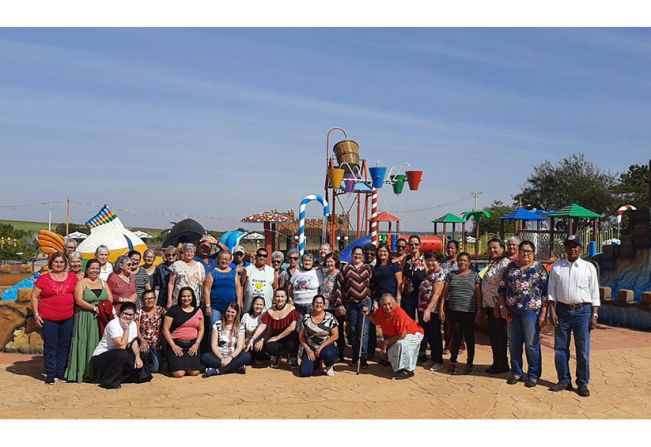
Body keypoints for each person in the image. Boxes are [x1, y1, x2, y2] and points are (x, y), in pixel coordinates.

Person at [547, 235, 600, 397]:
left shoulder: (589, 267)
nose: (573, 249)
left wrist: (595, 314)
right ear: (566, 248)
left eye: (575, 246)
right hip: (562, 311)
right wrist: (552, 311)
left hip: (583, 312)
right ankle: (564, 380)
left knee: (582, 350)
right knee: (560, 349)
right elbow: (551, 291)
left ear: (580, 249)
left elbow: (595, 292)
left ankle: (582, 383)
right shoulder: (557, 266)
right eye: (569, 246)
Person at [498, 240, 549, 388]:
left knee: (531, 344)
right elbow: (501, 289)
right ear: (518, 253)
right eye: (523, 251)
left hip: (531, 311)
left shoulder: (539, 269)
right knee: (514, 344)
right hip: (512, 312)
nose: (525, 254)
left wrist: (543, 314)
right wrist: (503, 307)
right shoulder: (510, 268)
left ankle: (533, 375)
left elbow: (545, 294)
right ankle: (516, 372)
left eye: (529, 251)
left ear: (533, 253)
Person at [31, 252, 78, 384]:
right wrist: (36, 314)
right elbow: (34, 296)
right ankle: (50, 373)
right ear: (51, 263)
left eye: (61, 262)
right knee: (50, 346)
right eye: (56, 262)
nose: (59, 264)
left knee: (65, 345)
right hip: (49, 317)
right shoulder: (44, 278)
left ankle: (60, 372)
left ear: (65, 263)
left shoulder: (72, 277)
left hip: (68, 317)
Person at [65, 258, 113, 383]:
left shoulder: (103, 283)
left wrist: (101, 309)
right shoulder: (82, 283)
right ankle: (82, 372)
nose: (95, 270)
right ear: (87, 269)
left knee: (98, 343)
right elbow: (79, 300)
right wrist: (94, 308)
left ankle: (96, 373)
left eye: (97, 268)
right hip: (85, 317)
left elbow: (110, 299)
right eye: (92, 268)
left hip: (100, 318)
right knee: (84, 341)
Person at [363, 293, 424, 380]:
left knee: (400, 344)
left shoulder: (399, 313)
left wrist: (386, 342)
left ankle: (408, 370)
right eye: (384, 304)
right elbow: (376, 321)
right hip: (400, 335)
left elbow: (402, 334)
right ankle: (397, 367)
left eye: (389, 304)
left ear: (394, 303)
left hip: (413, 333)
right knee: (394, 346)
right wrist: (368, 314)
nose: (387, 307)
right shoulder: (381, 311)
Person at [91, 302, 150, 389]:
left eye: (131, 315)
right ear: (120, 313)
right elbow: (121, 346)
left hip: (119, 356)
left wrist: (138, 357)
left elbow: (133, 342)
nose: (128, 316)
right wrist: (126, 330)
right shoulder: (113, 324)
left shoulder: (133, 324)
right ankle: (109, 382)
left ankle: (120, 378)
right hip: (101, 358)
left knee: (141, 371)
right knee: (122, 353)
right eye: (125, 313)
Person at [439, 252, 481, 374]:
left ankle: (470, 362)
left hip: (469, 312)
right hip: (454, 311)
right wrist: (441, 308)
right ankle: (453, 361)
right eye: (460, 260)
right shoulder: (451, 275)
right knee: (455, 337)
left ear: (469, 262)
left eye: (464, 260)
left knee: (469, 338)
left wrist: (479, 311)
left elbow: (478, 296)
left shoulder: (475, 276)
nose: (462, 262)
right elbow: (444, 294)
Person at [335, 245, 373, 368]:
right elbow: (339, 286)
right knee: (353, 331)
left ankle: (363, 357)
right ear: (352, 255)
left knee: (363, 332)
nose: (357, 256)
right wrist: (340, 303)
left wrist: (371, 301)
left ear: (363, 256)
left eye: (359, 254)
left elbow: (372, 286)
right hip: (351, 304)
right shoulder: (346, 268)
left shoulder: (367, 268)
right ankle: (355, 355)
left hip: (364, 303)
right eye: (355, 254)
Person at [246, 289, 300, 369]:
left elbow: (292, 328)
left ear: (286, 298)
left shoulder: (291, 309)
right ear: (274, 298)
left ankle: (293, 357)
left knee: (291, 344)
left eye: (282, 296)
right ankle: (277, 355)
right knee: (269, 345)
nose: (280, 299)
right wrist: (252, 339)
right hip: (277, 336)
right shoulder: (270, 311)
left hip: (290, 336)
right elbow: (263, 325)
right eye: (277, 296)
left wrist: (277, 337)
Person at [480, 238, 511, 374]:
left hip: (497, 306)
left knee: (499, 336)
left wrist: (500, 305)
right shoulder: (494, 263)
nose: (492, 250)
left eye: (495, 248)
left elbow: (503, 286)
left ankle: (501, 363)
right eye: (490, 248)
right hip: (489, 304)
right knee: (494, 335)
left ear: (502, 248)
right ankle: (497, 361)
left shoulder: (505, 264)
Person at [162, 286, 205, 377]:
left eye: (189, 296)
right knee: (179, 373)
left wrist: (196, 344)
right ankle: (171, 364)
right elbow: (165, 329)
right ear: (180, 297)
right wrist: (173, 346)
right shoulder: (173, 310)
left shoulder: (198, 311)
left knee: (194, 372)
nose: (186, 298)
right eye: (183, 296)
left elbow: (201, 329)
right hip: (176, 345)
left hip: (192, 345)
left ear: (192, 297)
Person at [202, 302, 252, 376]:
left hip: (233, 357)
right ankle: (235, 368)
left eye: (233, 312)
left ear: (236, 314)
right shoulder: (217, 324)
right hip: (219, 357)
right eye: (228, 311)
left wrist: (230, 358)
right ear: (225, 312)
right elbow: (214, 345)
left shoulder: (240, 327)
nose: (230, 314)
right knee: (205, 357)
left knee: (247, 356)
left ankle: (217, 371)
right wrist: (222, 358)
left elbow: (239, 347)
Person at [371, 244, 402, 361]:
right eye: (380, 251)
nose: (382, 253)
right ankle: (387, 354)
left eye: (385, 251)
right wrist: (375, 301)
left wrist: (398, 299)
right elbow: (374, 286)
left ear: (388, 253)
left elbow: (399, 283)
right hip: (381, 300)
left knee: (395, 326)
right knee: (385, 327)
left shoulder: (394, 266)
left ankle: (395, 354)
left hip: (392, 300)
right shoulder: (376, 267)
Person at [419, 251, 446, 372]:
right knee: (428, 334)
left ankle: (439, 360)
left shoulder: (439, 274)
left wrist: (429, 310)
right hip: (422, 308)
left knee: (435, 335)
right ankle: (433, 357)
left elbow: (437, 294)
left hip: (432, 311)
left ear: (439, 261)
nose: (430, 262)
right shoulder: (429, 273)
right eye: (428, 260)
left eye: (433, 260)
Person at [298, 295, 339, 377]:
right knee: (304, 373)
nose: (318, 305)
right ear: (312, 304)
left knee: (328, 354)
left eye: (321, 303)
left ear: (324, 305)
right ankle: (316, 363)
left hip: (326, 347)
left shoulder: (330, 317)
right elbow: (301, 337)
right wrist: (308, 350)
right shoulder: (306, 318)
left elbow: (335, 335)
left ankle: (329, 365)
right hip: (311, 348)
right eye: (316, 303)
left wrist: (320, 347)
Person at [203, 251, 243, 326]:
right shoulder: (212, 273)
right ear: (218, 259)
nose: (224, 261)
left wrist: (238, 304)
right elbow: (206, 290)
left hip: (231, 308)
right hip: (215, 307)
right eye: (222, 259)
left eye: (227, 259)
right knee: (214, 327)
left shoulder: (234, 273)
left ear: (230, 260)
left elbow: (238, 289)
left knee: (229, 328)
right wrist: (208, 306)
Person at [320, 253, 346, 361]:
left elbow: (344, 290)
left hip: (336, 307)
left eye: (331, 261)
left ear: (336, 262)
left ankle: (340, 354)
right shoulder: (323, 274)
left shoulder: (340, 274)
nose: (329, 263)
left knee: (338, 331)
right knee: (326, 331)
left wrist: (342, 304)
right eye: (327, 261)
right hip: (324, 306)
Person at [136, 289, 166, 373]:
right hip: (144, 343)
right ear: (142, 300)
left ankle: (145, 366)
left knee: (156, 369)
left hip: (157, 344)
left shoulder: (161, 310)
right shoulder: (139, 311)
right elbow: (136, 330)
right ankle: (143, 364)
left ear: (155, 298)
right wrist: (142, 341)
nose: (149, 300)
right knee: (145, 352)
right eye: (146, 299)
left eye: (151, 298)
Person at [167, 243, 205, 309]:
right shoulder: (176, 265)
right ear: (183, 252)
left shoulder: (199, 266)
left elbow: (203, 283)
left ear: (194, 253)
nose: (189, 254)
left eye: (191, 252)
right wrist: (169, 300)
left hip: (195, 300)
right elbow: (171, 284)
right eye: (187, 251)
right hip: (178, 300)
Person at [401, 235, 426, 322]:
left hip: (422, 296)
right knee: (409, 321)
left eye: (416, 244)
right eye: (411, 244)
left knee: (423, 321)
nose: (414, 246)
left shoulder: (425, 259)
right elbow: (401, 275)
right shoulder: (406, 259)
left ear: (420, 245)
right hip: (408, 295)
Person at [241, 296, 267, 365]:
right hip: (247, 342)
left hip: (259, 344)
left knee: (258, 357)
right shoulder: (246, 316)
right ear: (252, 305)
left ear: (264, 306)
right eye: (256, 304)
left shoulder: (265, 315)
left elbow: (268, 331)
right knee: (245, 357)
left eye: (261, 305)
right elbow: (241, 331)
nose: (258, 306)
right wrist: (242, 343)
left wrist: (262, 340)